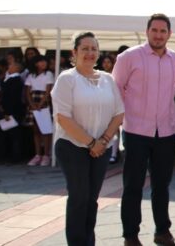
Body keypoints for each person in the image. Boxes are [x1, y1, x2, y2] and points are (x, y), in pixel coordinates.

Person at [113, 13, 175, 246]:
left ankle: (162, 231)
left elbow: (173, 90)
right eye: (155, 30)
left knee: (162, 185)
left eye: (163, 31)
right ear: (147, 31)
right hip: (135, 131)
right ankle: (130, 236)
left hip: (165, 131)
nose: (159, 35)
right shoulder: (128, 57)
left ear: (169, 34)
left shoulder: (174, 58)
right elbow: (116, 90)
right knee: (133, 185)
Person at [51, 32, 125, 246]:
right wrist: (91, 143)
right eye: (85, 48)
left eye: (94, 49)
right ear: (74, 52)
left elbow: (119, 112)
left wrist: (103, 140)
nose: (90, 53)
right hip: (72, 146)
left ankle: (87, 240)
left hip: (101, 147)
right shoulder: (67, 79)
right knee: (79, 196)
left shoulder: (108, 79)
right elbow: (63, 118)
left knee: (91, 199)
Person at [25, 55, 54, 167]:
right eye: (40, 62)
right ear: (36, 63)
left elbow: (48, 91)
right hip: (33, 101)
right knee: (36, 130)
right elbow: (27, 91)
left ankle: (46, 155)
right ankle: (38, 154)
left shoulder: (48, 74)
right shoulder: (31, 75)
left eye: (44, 62)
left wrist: (41, 104)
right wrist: (32, 104)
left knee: (45, 131)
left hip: (43, 103)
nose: (43, 64)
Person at [0, 62, 25, 163]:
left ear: (16, 68)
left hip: (12, 111)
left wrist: (7, 111)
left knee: (15, 135)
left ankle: (16, 157)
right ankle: (12, 155)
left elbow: (11, 98)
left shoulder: (15, 80)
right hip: (10, 110)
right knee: (11, 135)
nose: (9, 67)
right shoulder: (10, 79)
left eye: (11, 66)